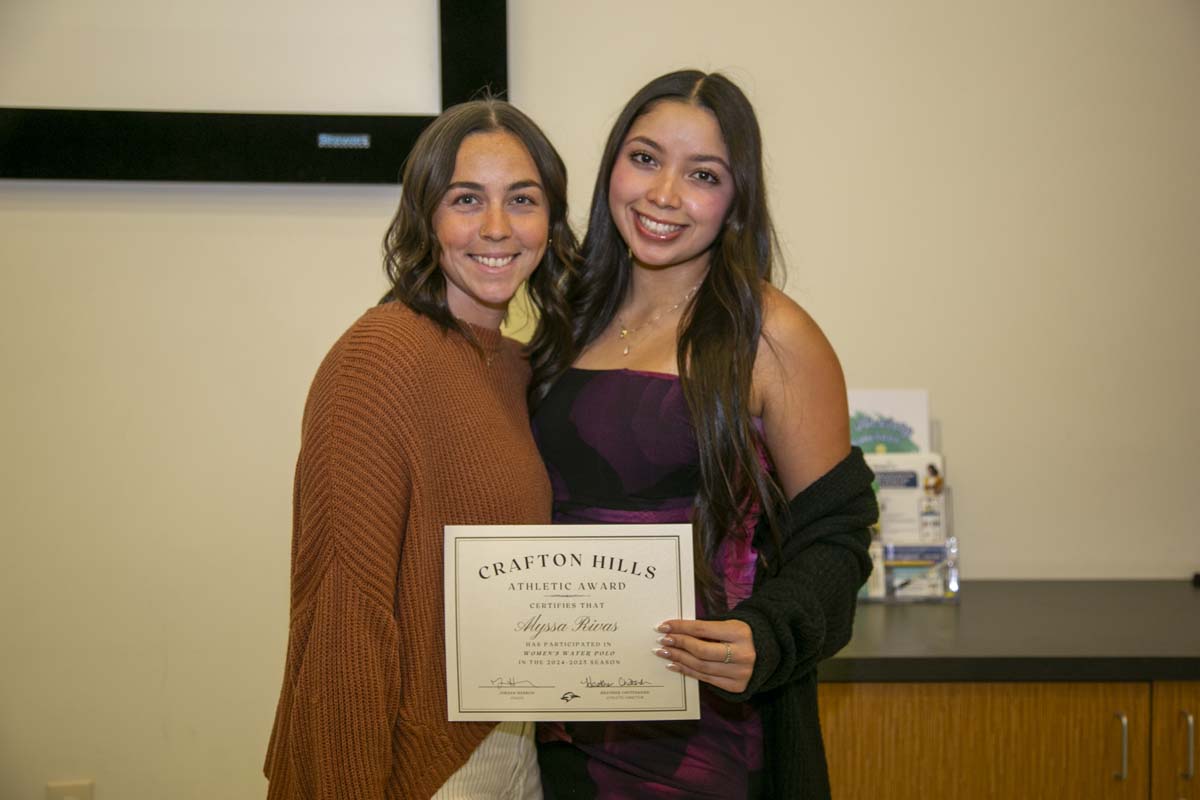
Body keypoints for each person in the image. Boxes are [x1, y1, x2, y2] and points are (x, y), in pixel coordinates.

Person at [528, 70, 878, 799]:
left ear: (737, 199)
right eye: (646, 158)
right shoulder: (564, 320)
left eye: (703, 174)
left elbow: (837, 535)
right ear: (612, 167)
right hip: (560, 730)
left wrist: (771, 633)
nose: (663, 195)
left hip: (708, 745)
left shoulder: (772, 334)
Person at [264, 98, 577, 799]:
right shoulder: (380, 357)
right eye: (467, 199)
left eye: (521, 200)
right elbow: (347, 606)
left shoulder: (521, 367)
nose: (496, 227)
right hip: (422, 769)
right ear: (425, 216)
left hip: (514, 744)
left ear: (550, 224)